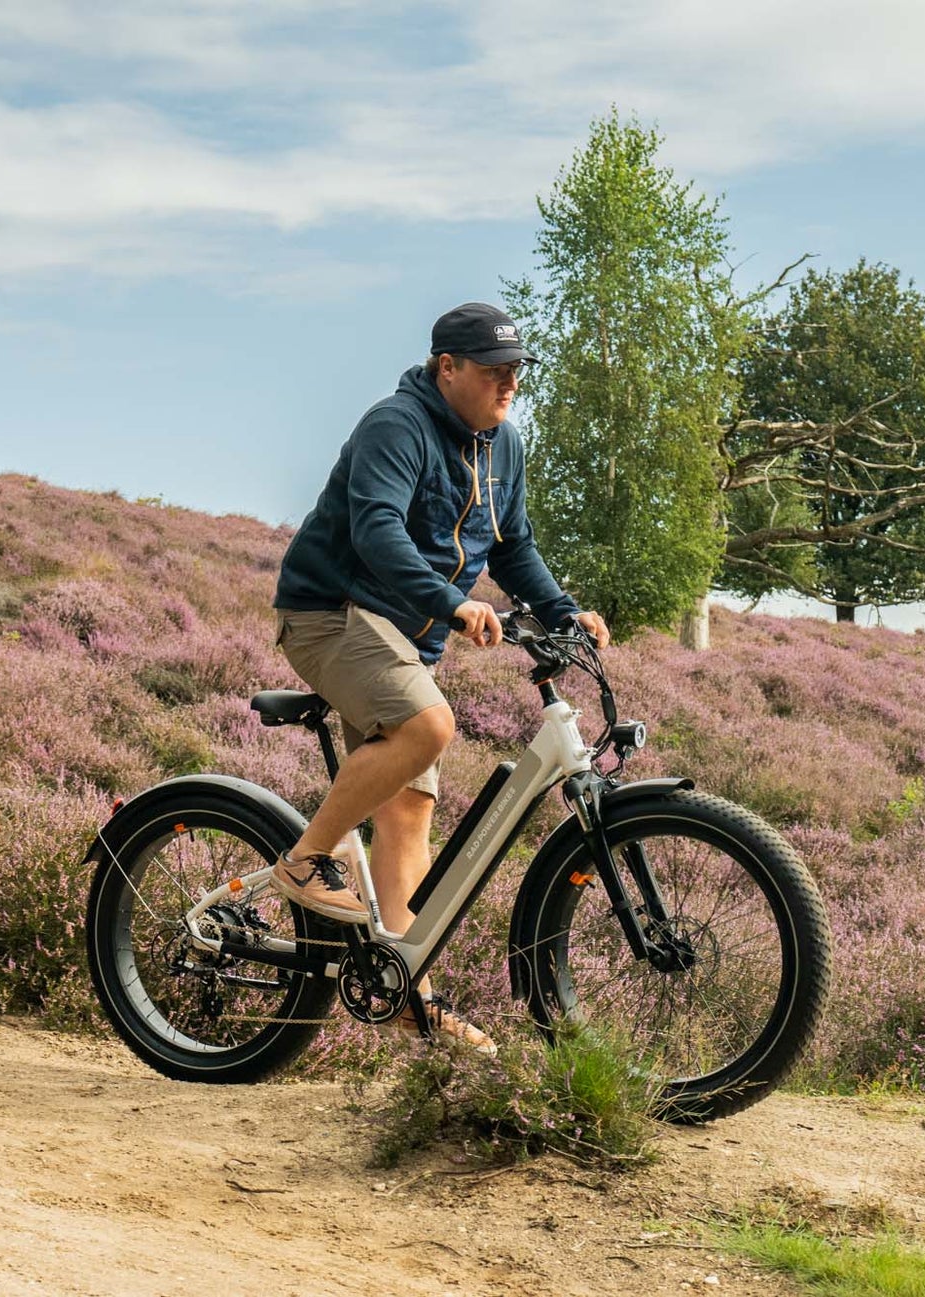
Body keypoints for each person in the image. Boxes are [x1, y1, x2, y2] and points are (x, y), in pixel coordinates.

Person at [270, 302, 610, 1052]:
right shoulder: (395, 426)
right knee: (428, 725)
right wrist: (453, 604)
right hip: (331, 611)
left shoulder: (503, 443)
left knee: (408, 814)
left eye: (516, 371)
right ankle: (305, 860)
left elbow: (512, 546)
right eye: (493, 371)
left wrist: (563, 611)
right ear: (446, 367)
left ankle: (408, 995)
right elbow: (378, 531)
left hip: (405, 634)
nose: (509, 383)